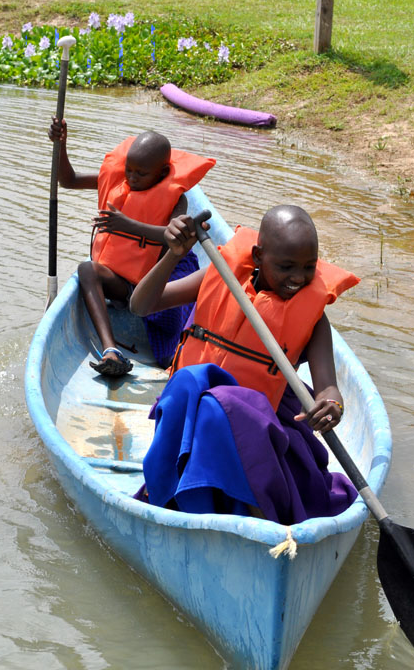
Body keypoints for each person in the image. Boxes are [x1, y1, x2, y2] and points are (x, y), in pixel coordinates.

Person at [128, 205, 362, 524]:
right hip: (192, 414)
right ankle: (180, 496)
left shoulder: (313, 318)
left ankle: (250, 515)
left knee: (217, 405)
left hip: (262, 427)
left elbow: (328, 387)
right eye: (286, 266)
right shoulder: (222, 276)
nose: (298, 277)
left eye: (309, 267)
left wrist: (331, 404)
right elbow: (141, 305)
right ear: (258, 255)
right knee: (191, 384)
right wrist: (172, 255)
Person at [48, 117, 215, 376]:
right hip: (123, 281)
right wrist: (61, 145)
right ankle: (111, 350)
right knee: (87, 270)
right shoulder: (117, 181)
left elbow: (173, 237)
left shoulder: (176, 198)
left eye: (141, 173)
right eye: (129, 170)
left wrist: (128, 225)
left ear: (161, 173)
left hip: (158, 279)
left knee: (168, 335)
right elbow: (68, 180)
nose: (132, 178)